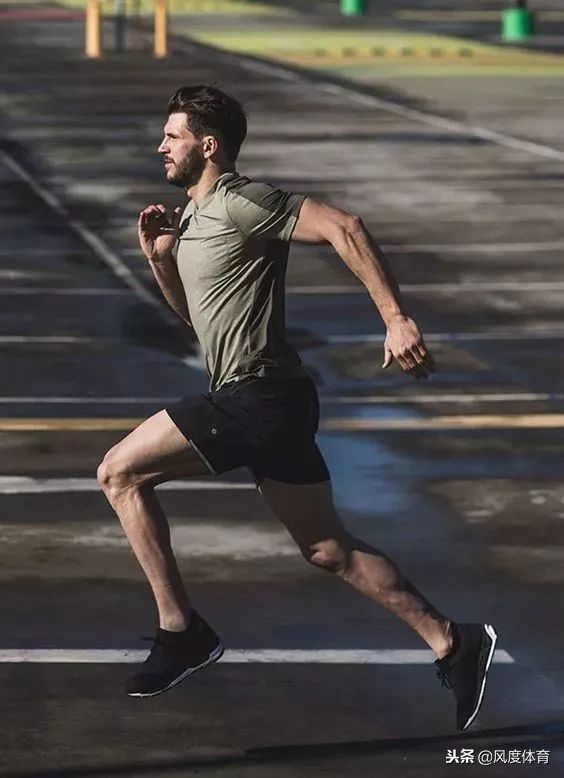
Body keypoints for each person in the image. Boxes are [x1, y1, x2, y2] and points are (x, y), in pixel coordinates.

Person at [96, 85, 497, 731]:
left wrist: (395, 318)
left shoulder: (242, 200)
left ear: (208, 144)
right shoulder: (193, 219)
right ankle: (454, 640)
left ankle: (182, 631)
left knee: (119, 472)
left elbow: (345, 226)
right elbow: (200, 325)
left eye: (170, 136)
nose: (159, 147)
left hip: (258, 395)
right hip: (269, 398)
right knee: (327, 548)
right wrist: (160, 261)